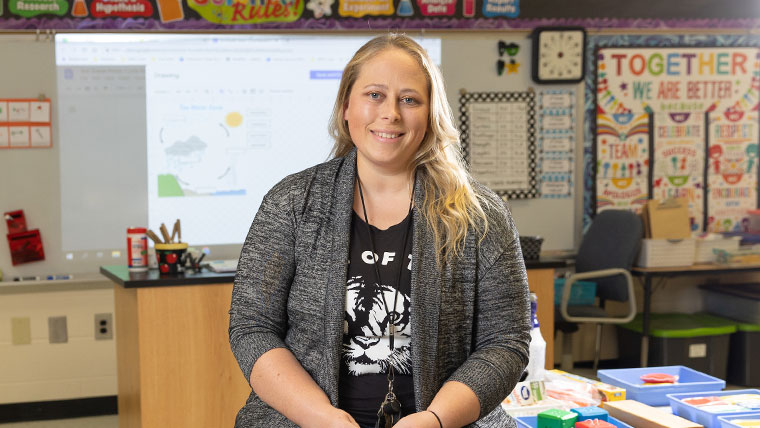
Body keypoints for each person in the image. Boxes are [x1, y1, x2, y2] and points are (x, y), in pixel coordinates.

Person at [229, 33, 531, 428]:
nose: (390, 113)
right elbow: (252, 328)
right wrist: (322, 418)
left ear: (430, 114)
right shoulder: (291, 202)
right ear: (345, 108)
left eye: (409, 99)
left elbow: (506, 343)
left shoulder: (481, 215)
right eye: (374, 94)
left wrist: (437, 420)